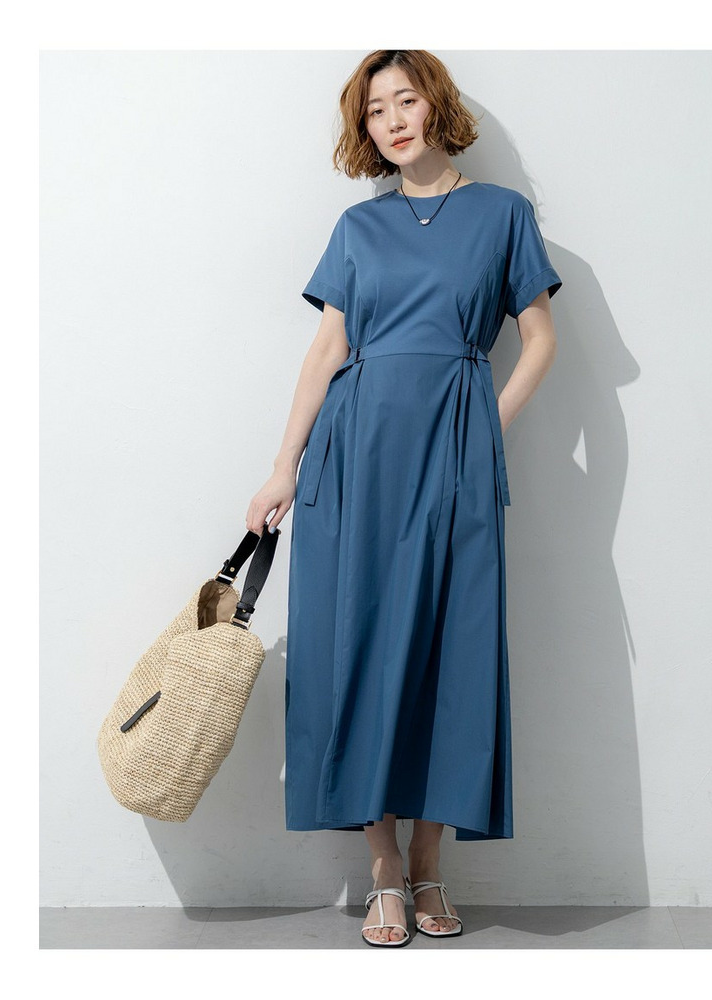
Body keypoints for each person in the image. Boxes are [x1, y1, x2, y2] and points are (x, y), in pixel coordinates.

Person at [245, 49, 562, 947]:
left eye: (405, 99)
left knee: (450, 650)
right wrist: (283, 467)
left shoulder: (503, 215)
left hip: (455, 450)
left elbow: (540, 339)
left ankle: (430, 864)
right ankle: (383, 868)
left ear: (435, 106)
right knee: (357, 648)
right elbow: (327, 350)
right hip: (356, 458)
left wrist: (486, 426)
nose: (391, 120)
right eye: (374, 109)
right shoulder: (358, 227)